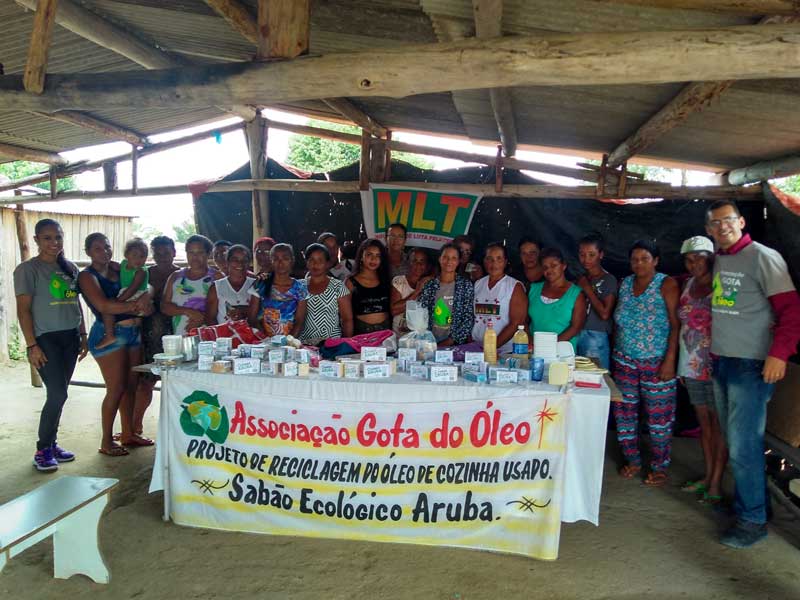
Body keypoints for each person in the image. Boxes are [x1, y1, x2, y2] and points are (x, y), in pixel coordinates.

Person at [705, 200, 800, 548]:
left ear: (742, 222)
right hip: (723, 361)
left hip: (751, 365)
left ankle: (753, 522)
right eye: (715, 223)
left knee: (744, 445)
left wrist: (778, 354)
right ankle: (755, 506)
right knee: (737, 443)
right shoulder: (721, 258)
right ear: (709, 230)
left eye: (728, 220)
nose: (722, 227)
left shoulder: (763, 257)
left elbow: (792, 311)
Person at [14, 219, 89, 471]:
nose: (53, 243)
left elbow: (75, 302)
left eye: (57, 237)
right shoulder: (28, 270)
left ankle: (52, 444)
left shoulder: (70, 269)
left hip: (70, 338)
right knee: (57, 393)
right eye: (47, 238)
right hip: (45, 339)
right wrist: (31, 345)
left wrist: (83, 334)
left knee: (60, 393)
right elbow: (23, 310)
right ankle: (42, 449)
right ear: (36, 240)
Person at [79, 233, 154, 456]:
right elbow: (104, 306)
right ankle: (106, 441)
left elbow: (145, 282)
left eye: (107, 247)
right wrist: (136, 305)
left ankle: (128, 433)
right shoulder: (87, 276)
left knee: (131, 385)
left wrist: (147, 296)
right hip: (109, 334)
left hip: (133, 332)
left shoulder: (117, 267)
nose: (104, 252)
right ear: (88, 252)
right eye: (97, 248)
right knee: (116, 389)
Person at [612, 239, 680, 487]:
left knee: (659, 416)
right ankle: (633, 460)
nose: (639, 263)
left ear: (656, 261)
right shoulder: (625, 283)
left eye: (644, 259)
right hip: (624, 360)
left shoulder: (666, 284)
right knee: (624, 413)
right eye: (634, 259)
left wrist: (670, 360)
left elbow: (676, 325)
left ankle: (659, 466)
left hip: (656, 361)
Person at [676, 235, 727, 506]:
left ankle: (716, 483)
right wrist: (681, 366)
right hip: (691, 364)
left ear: (711, 258)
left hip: (718, 364)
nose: (694, 263)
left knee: (718, 426)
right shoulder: (687, 285)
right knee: (704, 425)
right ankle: (708, 476)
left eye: (699, 257)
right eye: (688, 259)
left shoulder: (722, 286)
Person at [134, 235, 179, 442]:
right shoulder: (145, 274)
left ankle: (176, 432)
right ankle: (135, 427)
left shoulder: (181, 275)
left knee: (176, 383)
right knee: (146, 382)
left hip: (177, 333)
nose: (162, 256)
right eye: (157, 253)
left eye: (166, 252)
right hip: (150, 333)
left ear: (174, 253)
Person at [473, 243, 528, 354]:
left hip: (504, 351)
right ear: (484, 261)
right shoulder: (478, 284)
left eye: (499, 259)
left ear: (505, 261)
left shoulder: (514, 286)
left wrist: (490, 348)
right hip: (477, 348)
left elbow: (516, 323)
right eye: (489, 259)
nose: (494, 263)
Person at [528, 248, 587, 351]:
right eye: (545, 267)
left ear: (564, 266)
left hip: (562, 352)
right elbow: (523, 321)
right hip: (534, 350)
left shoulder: (576, 294)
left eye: (554, 265)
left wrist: (549, 346)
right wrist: (531, 341)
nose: (549, 270)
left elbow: (576, 327)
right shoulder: (534, 289)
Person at [96, 237, 149, 350]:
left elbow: (133, 289)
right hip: (127, 292)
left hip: (136, 293)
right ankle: (110, 335)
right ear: (126, 255)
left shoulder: (141, 271)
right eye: (134, 255)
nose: (138, 259)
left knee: (110, 306)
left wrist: (119, 300)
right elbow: (114, 265)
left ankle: (109, 335)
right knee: (108, 307)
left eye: (142, 256)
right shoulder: (123, 264)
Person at [418, 244, 475, 346]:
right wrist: (427, 341)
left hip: (455, 344)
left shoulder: (465, 285)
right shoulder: (430, 285)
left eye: (454, 258)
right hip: (429, 342)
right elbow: (421, 313)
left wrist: (450, 341)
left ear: (458, 261)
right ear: (439, 259)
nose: (449, 261)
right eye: (445, 257)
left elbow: (468, 318)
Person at [248, 243, 308, 337]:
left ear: (292, 261)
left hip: (290, 341)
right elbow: (252, 319)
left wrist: (288, 341)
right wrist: (266, 340)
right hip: (262, 341)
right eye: (276, 259)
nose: (280, 263)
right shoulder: (260, 285)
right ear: (271, 261)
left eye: (285, 258)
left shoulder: (300, 288)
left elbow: (299, 321)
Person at [576, 233, 617, 368]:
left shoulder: (608, 279)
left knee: (595, 375)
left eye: (591, 255)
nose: (586, 259)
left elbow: (605, 314)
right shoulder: (581, 279)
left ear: (601, 254)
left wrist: (588, 289)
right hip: (577, 332)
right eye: (582, 255)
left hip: (596, 335)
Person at [299, 243, 353, 345]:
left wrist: (345, 344)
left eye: (320, 260)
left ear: (328, 263)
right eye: (311, 260)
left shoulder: (338, 286)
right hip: (304, 346)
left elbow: (347, 319)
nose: (315, 264)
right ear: (306, 263)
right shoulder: (300, 286)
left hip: (332, 345)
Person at [162, 235, 216, 336]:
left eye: (200, 252)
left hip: (209, 338)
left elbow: (224, 308)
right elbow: (165, 307)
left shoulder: (216, 277)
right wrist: (188, 311)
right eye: (191, 252)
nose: (195, 257)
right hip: (180, 336)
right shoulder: (176, 277)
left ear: (208, 254)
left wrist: (203, 318)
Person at [346, 238, 392, 334]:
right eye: (369, 254)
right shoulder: (350, 282)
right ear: (361, 256)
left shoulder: (386, 280)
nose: (373, 259)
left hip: (385, 331)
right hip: (361, 332)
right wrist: (348, 340)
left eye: (378, 255)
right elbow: (346, 318)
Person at [206, 244, 256, 325]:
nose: (240, 263)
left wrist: (243, 311)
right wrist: (221, 332)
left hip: (252, 332)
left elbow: (261, 314)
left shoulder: (256, 285)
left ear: (249, 263)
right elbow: (210, 319)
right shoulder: (216, 287)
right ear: (227, 262)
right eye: (235, 260)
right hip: (224, 333)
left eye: (244, 260)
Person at [390, 248, 432, 336]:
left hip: (421, 337)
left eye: (422, 261)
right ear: (408, 263)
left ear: (427, 265)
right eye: (414, 261)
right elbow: (394, 310)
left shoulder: (430, 284)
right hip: (399, 336)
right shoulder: (399, 281)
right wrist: (416, 292)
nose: (418, 264)